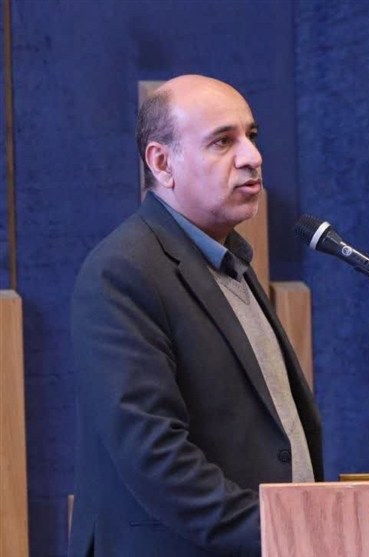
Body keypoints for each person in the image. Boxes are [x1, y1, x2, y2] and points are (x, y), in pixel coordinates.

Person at [69, 74, 323, 557]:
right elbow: (153, 454)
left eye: (251, 135)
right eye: (223, 141)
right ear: (162, 163)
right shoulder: (124, 270)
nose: (252, 156)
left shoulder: (229, 262)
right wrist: (280, 532)